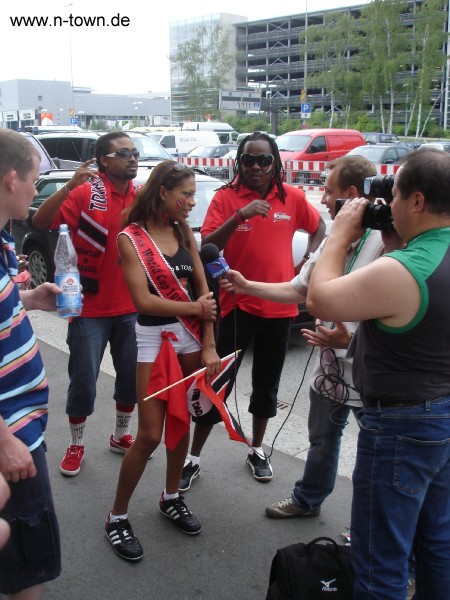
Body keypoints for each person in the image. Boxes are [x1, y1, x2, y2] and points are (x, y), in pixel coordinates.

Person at [306, 149, 450, 597]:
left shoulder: (406, 269)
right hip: (443, 414)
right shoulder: (423, 255)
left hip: (401, 425)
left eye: (397, 193)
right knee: (437, 544)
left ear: (418, 202)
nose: (389, 203)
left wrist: (340, 232)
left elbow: (320, 299)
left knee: (379, 558)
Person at [218, 155, 386, 517]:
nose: (322, 200)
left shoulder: (388, 242)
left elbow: (402, 315)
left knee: (377, 455)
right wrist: (248, 286)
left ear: (351, 194)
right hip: (329, 369)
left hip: (371, 372)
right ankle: (307, 500)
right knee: (322, 439)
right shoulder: (336, 239)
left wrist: (352, 341)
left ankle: (367, 531)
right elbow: (299, 289)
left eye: (327, 191)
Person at [180, 132, 326, 489]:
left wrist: (309, 260)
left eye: (264, 160)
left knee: (266, 387)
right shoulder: (225, 198)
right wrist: (240, 215)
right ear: (239, 163)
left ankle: (257, 449)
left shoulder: (290, 197)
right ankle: (193, 457)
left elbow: (319, 227)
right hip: (234, 306)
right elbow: (207, 248)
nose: (257, 167)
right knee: (215, 384)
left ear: (275, 162)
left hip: (278, 307)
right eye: (249, 160)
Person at [105, 160, 220, 562]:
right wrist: (194, 307)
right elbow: (145, 301)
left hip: (189, 339)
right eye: (184, 195)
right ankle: (117, 516)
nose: (191, 202)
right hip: (154, 338)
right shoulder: (129, 237)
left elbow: (207, 295)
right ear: (161, 193)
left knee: (182, 421)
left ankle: (171, 496)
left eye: (192, 194)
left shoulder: (183, 230)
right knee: (150, 433)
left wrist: (208, 344)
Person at [32, 132, 141, 477]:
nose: (133, 158)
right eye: (124, 153)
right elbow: (40, 221)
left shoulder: (142, 197)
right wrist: (67, 187)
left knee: (130, 378)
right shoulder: (84, 193)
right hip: (87, 308)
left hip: (131, 307)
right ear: (103, 161)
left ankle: (121, 435)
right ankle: (77, 443)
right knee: (84, 381)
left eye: (135, 153)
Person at [0, 129, 61, 599]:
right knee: (27, 563)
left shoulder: (1, 241)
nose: (37, 189)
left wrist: (27, 299)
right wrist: (5, 441)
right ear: (10, 179)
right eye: (35, 178)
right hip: (11, 430)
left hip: (19, 427)